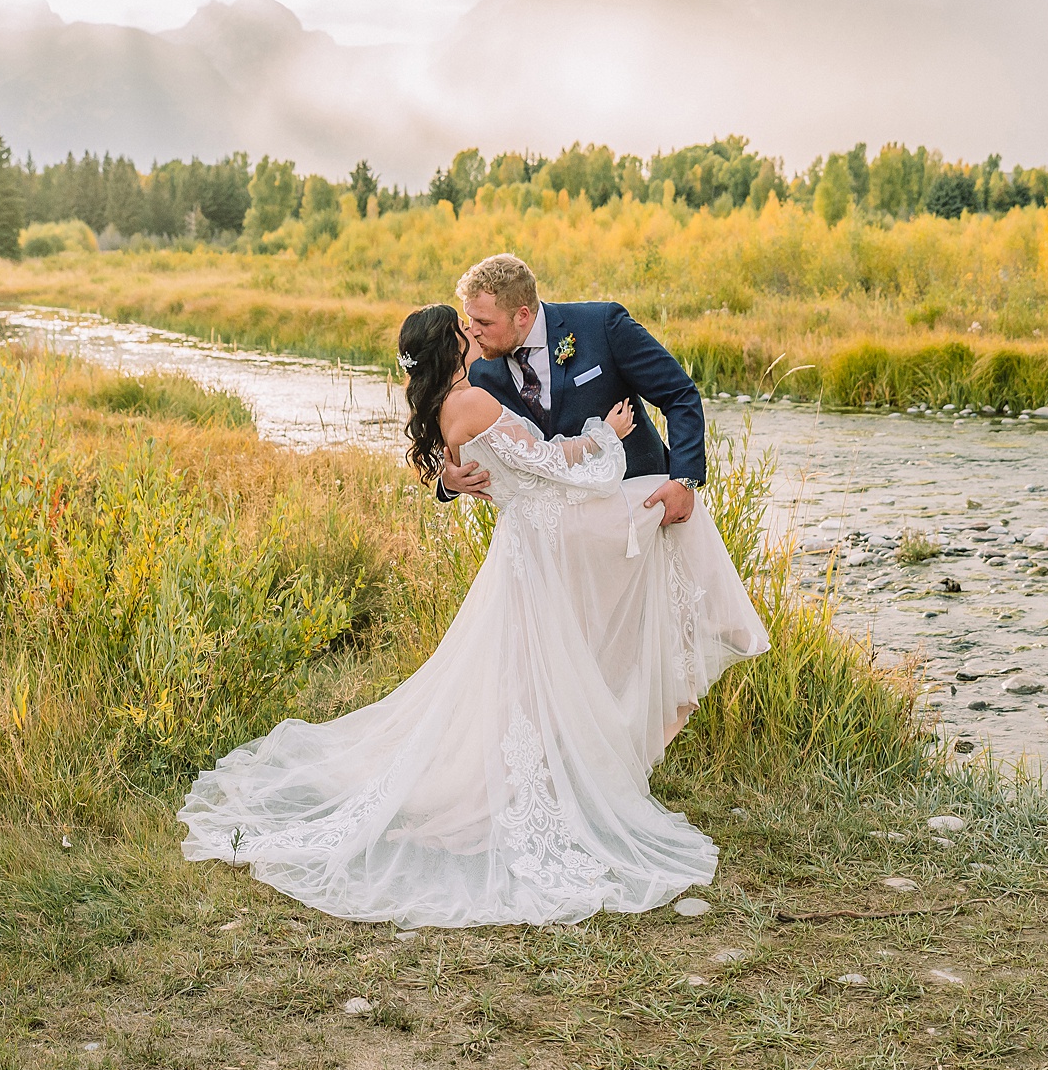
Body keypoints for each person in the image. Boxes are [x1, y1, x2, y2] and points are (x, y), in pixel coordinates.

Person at [178, 294, 769, 929]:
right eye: (464, 328)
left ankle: (596, 756)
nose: (473, 333)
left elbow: (447, 456)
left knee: (531, 671)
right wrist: (608, 434)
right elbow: (548, 463)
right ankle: (588, 760)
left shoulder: (443, 406)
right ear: (453, 348)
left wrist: (447, 475)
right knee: (542, 665)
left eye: (477, 322)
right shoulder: (479, 394)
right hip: (544, 539)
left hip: (530, 544)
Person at [439, 253, 706, 529]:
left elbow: (679, 394)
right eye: (470, 319)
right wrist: (449, 483)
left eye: (484, 323)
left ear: (522, 315)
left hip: (642, 508)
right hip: (556, 537)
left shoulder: (601, 325)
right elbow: (458, 441)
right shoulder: (478, 370)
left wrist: (684, 480)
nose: (473, 331)